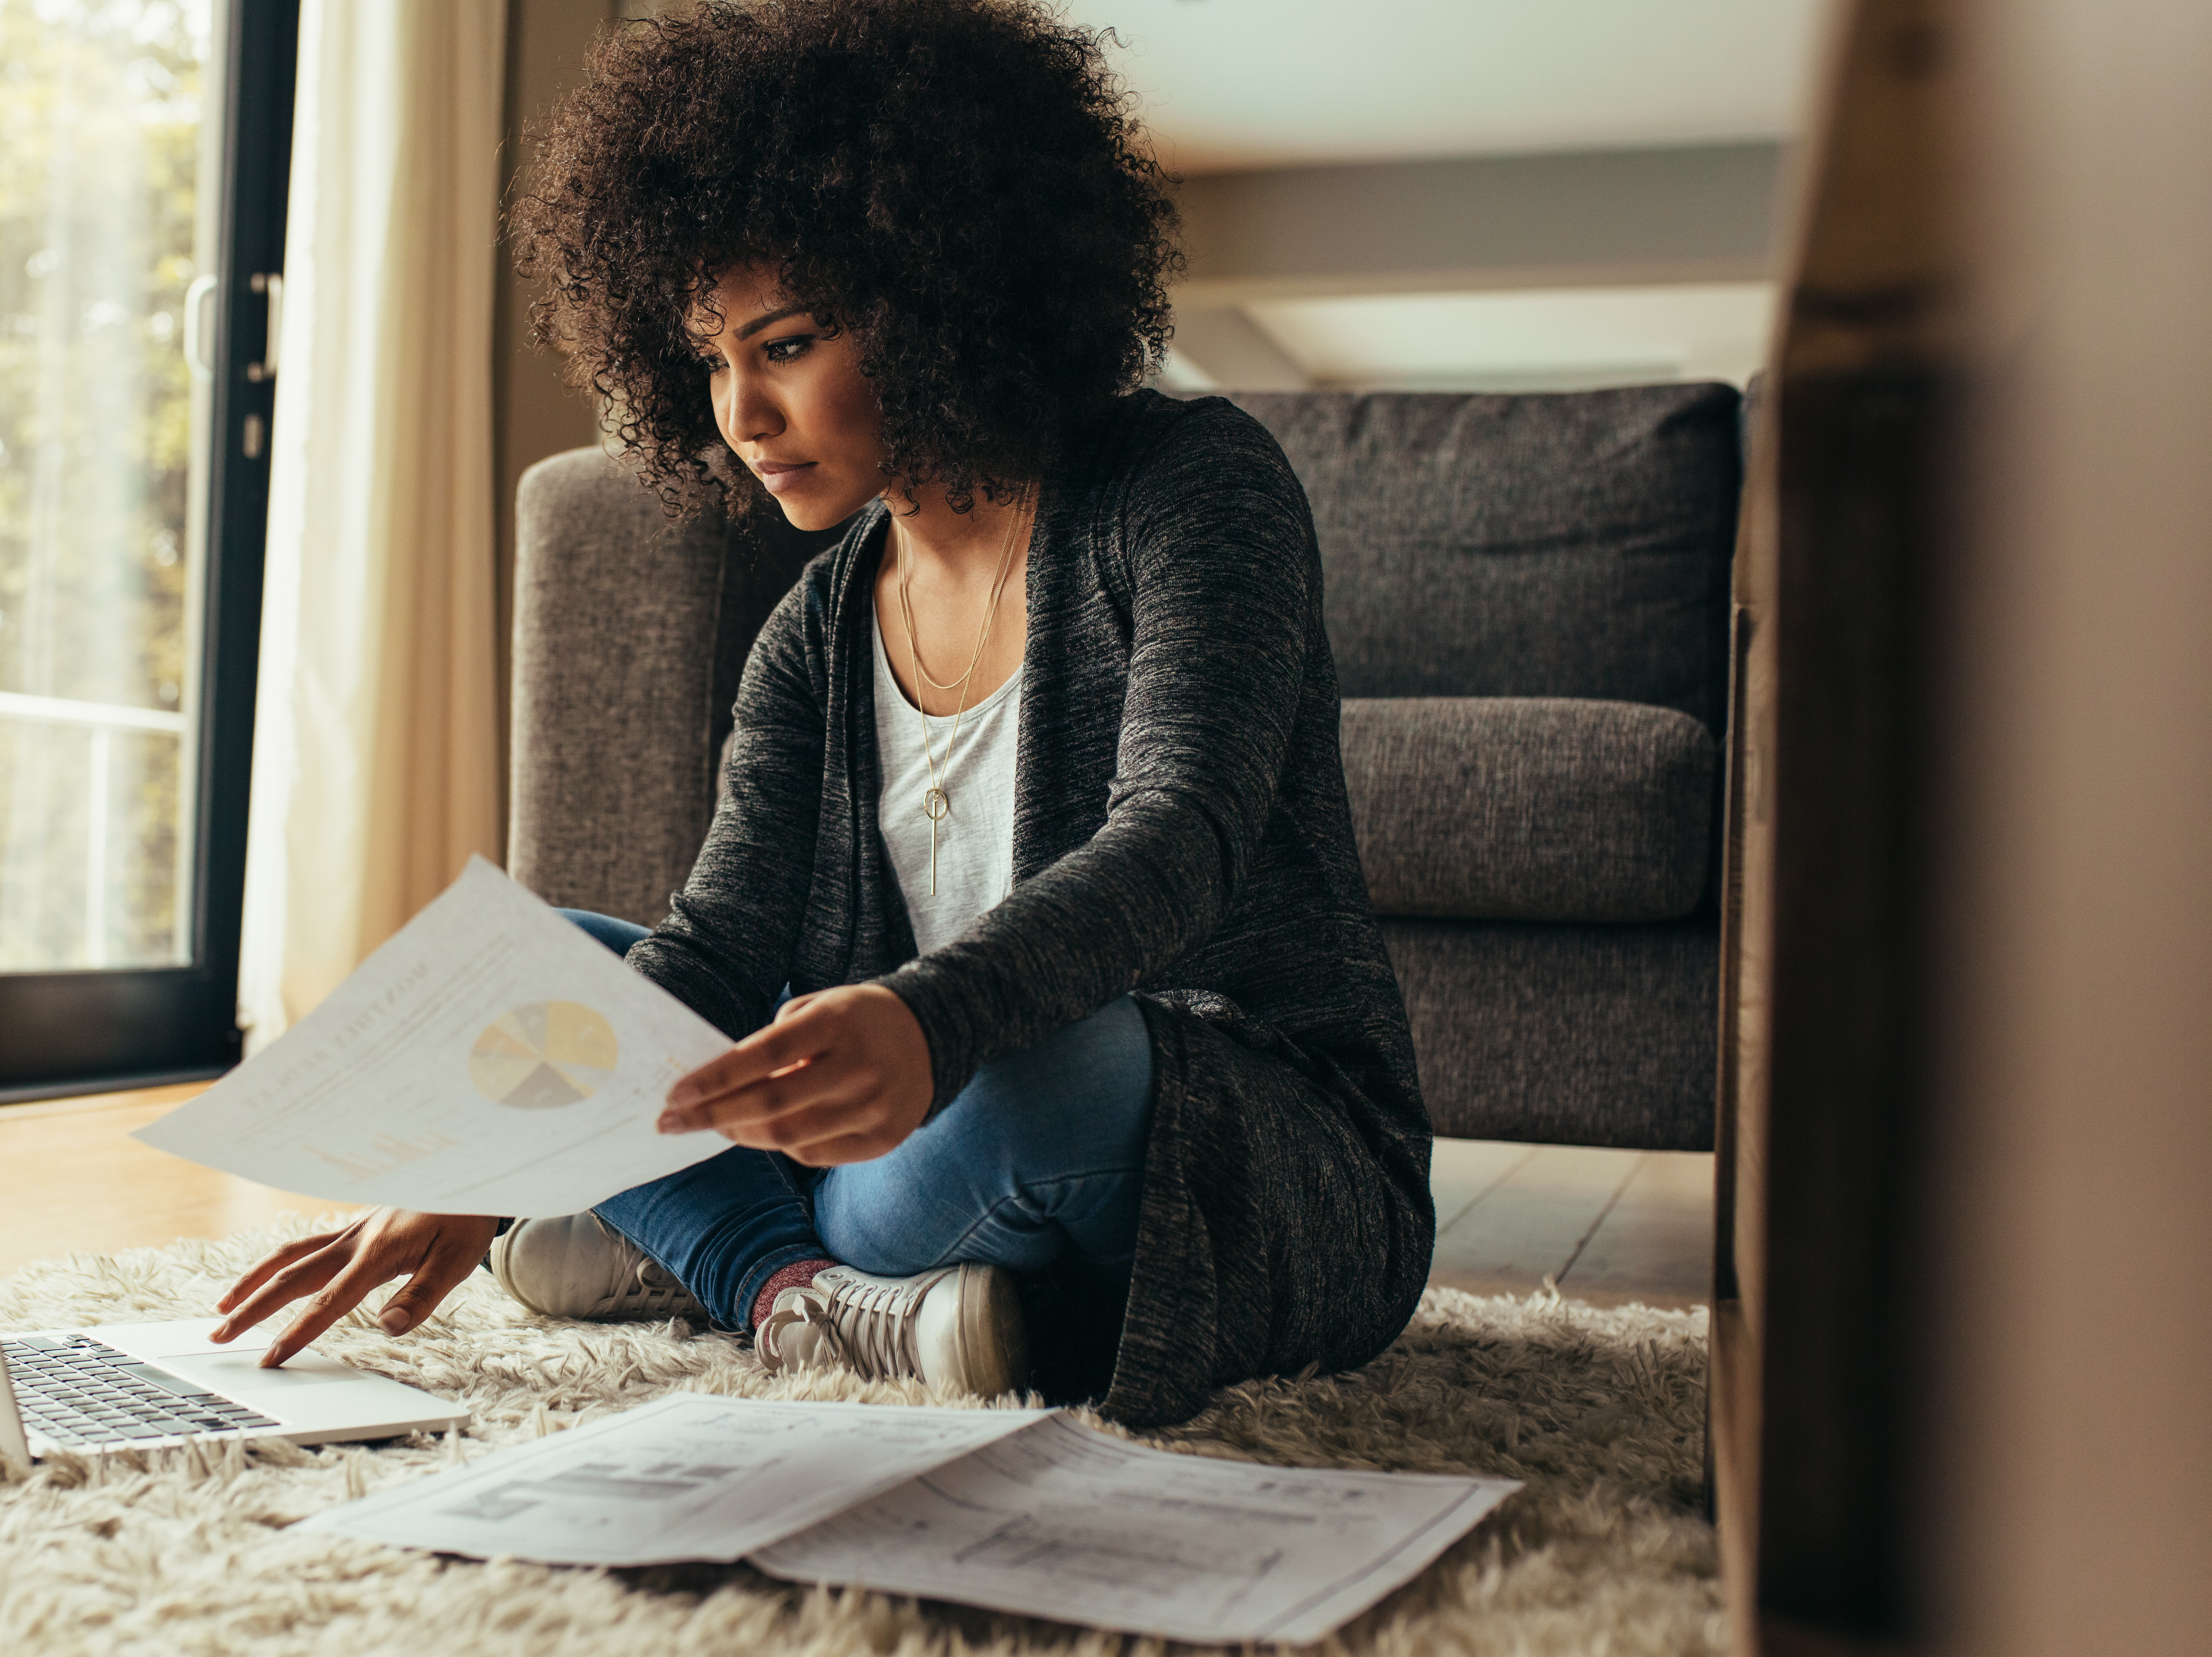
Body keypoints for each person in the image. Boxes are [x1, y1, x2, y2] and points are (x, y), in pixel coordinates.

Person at [208, 0, 1433, 1428]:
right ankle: (817, 1302)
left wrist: (931, 1021)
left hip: (1218, 1133)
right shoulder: (815, 625)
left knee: (1038, 1070)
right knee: (561, 983)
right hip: (907, 1147)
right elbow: (717, 955)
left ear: (941, 293)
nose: (739, 411)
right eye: (711, 360)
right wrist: (478, 1165)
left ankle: (712, 1239)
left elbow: (1186, 833)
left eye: (783, 345)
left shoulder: (1189, 486)